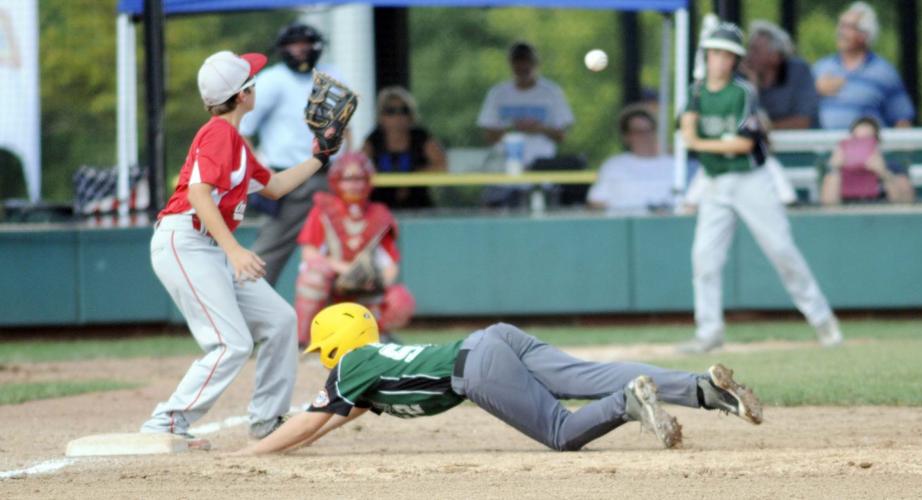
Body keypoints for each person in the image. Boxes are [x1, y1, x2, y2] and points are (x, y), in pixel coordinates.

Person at [235, 302, 763, 455]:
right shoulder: (374, 365)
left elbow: (311, 419)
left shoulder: (353, 365)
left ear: (336, 344)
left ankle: (628, 403)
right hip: (493, 340)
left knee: (561, 433)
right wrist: (295, 442)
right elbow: (330, 419)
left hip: (477, 367)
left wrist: (250, 455)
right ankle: (701, 389)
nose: (324, 360)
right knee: (587, 375)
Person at [140, 50, 344, 443]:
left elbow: (276, 186)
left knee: (280, 322)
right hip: (185, 242)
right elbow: (199, 194)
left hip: (206, 245)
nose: (256, 86)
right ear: (242, 95)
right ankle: (166, 423)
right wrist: (234, 250)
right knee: (231, 342)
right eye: (251, 81)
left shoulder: (235, 142)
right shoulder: (218, 134)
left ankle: (267, 421)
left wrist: (320, 157)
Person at [678, 22, 843, 353]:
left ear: (735, 61)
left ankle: (822, 320)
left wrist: (701, 142)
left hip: (750, 178)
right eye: (715, 53)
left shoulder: (742, 92)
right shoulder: (695, 92)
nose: (720, 61)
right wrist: (705, 140)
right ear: (706, 56)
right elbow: (686, 131)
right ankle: (709, 330)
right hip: (715, 181)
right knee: (704, 259)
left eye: (727, 55)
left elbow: (741, 144)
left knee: (781, 250)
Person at [239, 23, 349, 286]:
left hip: (330, 176)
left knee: (339, 249)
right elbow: (242, 130)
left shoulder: (332, 75)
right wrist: (261, 172)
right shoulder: (272, 79)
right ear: (282, 48)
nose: (301, 49)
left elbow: (346, 126)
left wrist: (348, 162)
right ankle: (248, 298)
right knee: (270, 250)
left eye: (306, 43)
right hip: (290, 178)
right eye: (294, 43)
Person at [294, 152, 415, 348]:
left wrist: (376, 280)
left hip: (365, 290)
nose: (355, 185)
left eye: (360, 179)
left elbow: (391, 265)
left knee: (400, 298)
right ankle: (305, 340)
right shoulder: (323, 209)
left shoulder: (380, 213)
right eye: (348, 179)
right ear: (336, 181)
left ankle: (377, 336)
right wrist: (345, 270)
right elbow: (309, 254)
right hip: (332, 287)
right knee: (312, 277)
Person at [476, 41, 574, 207]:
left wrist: (539, 129)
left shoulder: (551, 92)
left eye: (527, 61)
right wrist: (513, 127)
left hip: (540, 175)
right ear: (511, 64)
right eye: (518, 61)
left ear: (535, 63)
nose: (522, 66)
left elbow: (562, 135)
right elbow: (488, 136)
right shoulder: (498, 93)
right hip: (504, 175)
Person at [812, 2, 915, 129]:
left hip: (867, 141)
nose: (841, 32)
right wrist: (815, 91)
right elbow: (799, 110)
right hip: (826, 141)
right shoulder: (821, 68)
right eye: (841, 25)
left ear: (865, 34)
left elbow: (902, 120)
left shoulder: (884, 72)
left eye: (848, 27)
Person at [361, 86, 447, 210]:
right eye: (391, 111)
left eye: (404, 110)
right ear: (381, 116)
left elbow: (442, 166)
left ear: (411, 115)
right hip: (380, 208)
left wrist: (412, 178)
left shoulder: (420, 137)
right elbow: (357, 168)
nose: (398, 116)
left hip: (419, 206)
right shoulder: (373, 140)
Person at [587, 106, 675, 214]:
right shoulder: (613, 166)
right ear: (626, 136)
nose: (645, 136)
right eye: (638, 132)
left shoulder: (675, 165)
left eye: (649, 130)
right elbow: (595, 202)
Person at [820, 116, 914, 205]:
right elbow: (829, 205)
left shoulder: (893, 167)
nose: (861, 146)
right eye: (857, 140)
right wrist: (835, 169)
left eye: (867, 141)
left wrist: (883, 173)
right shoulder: (838, 169)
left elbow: (905, 203)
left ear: (877, 142)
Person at [743, 20, 818, 129]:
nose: (748, 55)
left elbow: (802, 122)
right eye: (749, 49)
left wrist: (765, 128)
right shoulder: (743, 74)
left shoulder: (799, 71)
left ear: (775, 56)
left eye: (756, 50)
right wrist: (753, 87)